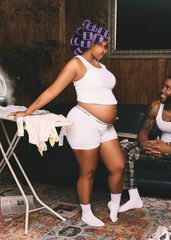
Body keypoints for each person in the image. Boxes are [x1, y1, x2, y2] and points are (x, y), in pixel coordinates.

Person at [10, 19, 125, 227]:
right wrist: (28, 111)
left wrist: (110, 114)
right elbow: (53, 90)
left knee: (118, 166)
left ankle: (114, 206)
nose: (105, 50)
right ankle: (87, 212)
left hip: (106, 125)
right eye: (104, 45)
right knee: (87, 171)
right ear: (92, 41)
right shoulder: (76, 64)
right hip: (84, 122)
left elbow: (103, 93)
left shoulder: (101, 65)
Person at [118, 74, 171, 213]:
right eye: (163, 86)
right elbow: (143, 132)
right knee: (124, 147)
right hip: (160, 147)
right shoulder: (155, 105)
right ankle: (134, 197)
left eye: (167, 88)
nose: (162, 90)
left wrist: (169, 149)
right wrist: (146, 144)